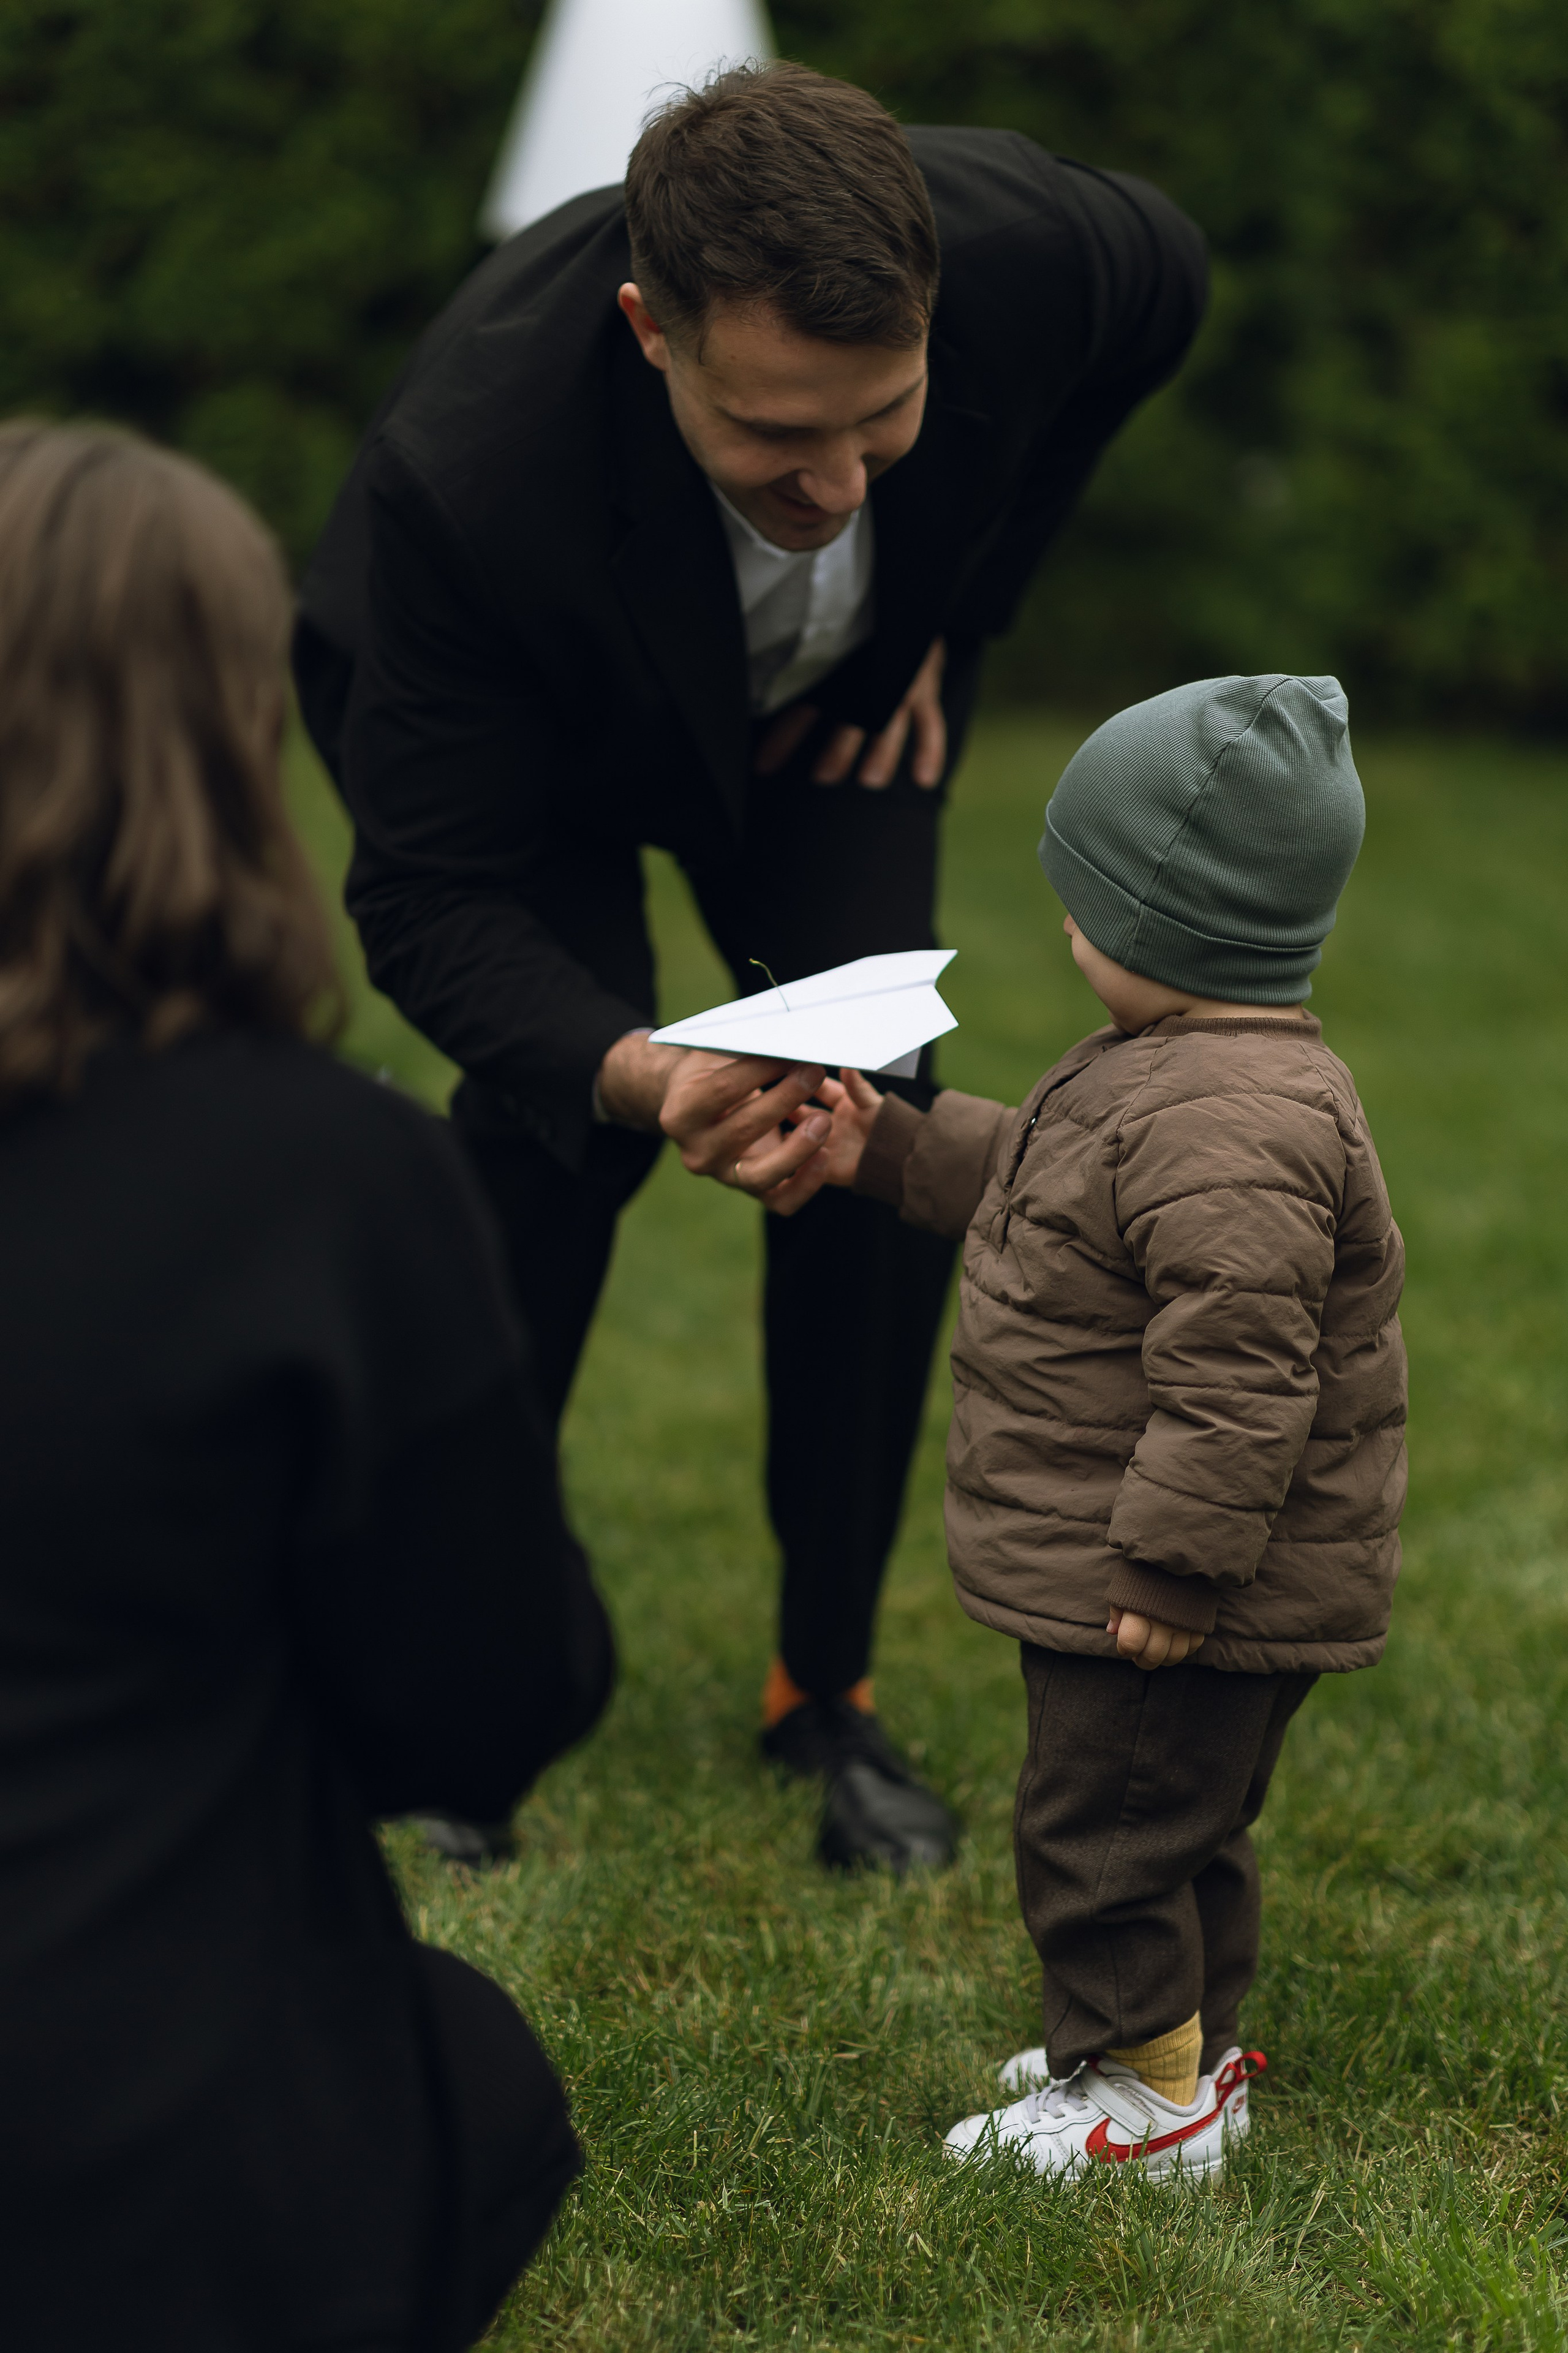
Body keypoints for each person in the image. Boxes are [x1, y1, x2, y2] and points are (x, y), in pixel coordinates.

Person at [293, 59, 1209, 1874]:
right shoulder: (463, 490)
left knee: (873, 1134)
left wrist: (959, 613)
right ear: (652, 331)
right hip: (533, 747)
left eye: (883, 422)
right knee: (558, 1139)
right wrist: (638, 1065)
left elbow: (1160, 290)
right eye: (778, 435)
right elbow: (427, 895)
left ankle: (827, 1689)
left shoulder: (1037, 257)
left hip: (830, 724)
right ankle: (449, 1689)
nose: (840, 478)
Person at [0, 421, 613, 2350]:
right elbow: (488, 1704)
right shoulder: (328, 1181)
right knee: (471, 2071)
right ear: (235, 738)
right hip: (137, 2156)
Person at [801, 674, 1407, 2175]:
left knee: (1106, 1830)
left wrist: (1170, 1565)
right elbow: (1061, 1195)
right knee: (1176, 1820)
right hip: (1167, 1565)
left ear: (1154, 920)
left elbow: (1237, 1372)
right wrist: (891, 1145)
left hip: (1165, 1579)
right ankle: (1172, 2050)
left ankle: (1140, 2105)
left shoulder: (1223, 1121)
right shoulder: (1189, 1078)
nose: (1064, 928)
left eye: (1079, 899)